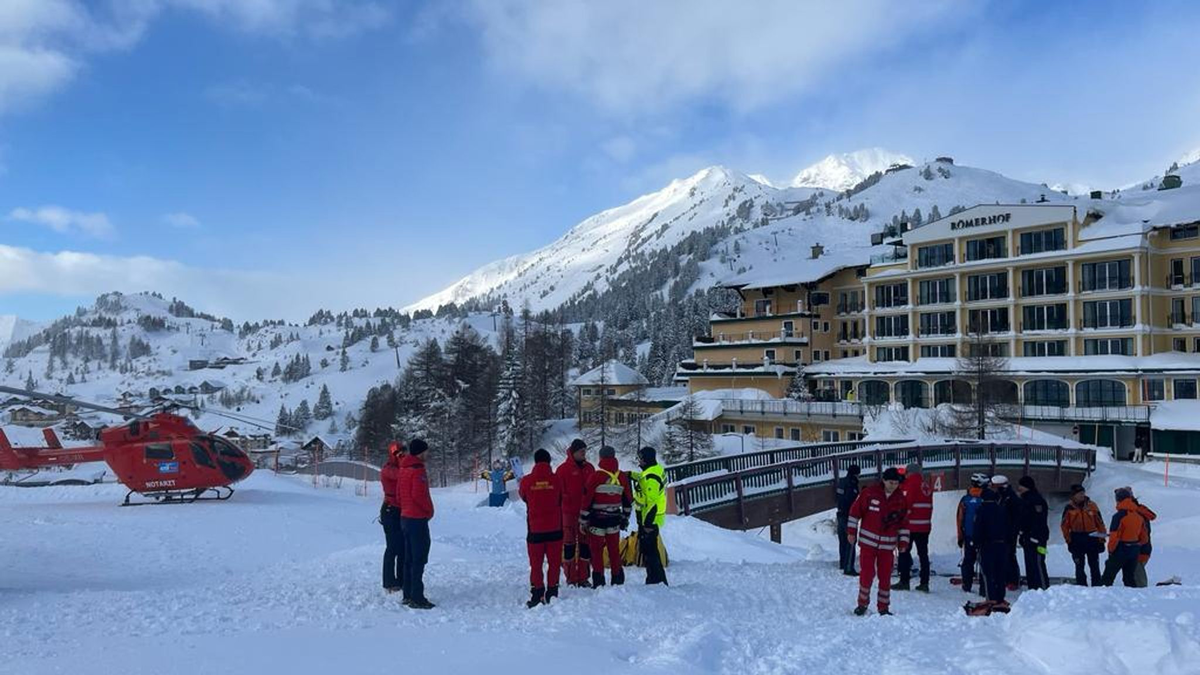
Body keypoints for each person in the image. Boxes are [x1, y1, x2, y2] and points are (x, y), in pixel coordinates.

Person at [847, 467, 909, 616]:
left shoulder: (900, 499)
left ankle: (883, 607)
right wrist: (851, 532)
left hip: (887, 547)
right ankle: (862, 604)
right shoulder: (869, 493)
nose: (893, 485)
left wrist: (903, 542)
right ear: (884, 480)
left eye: (896, 483)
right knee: (867, 575)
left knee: (885, 577)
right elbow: (855, 513)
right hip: (868, 544)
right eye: (890, 482)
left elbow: (904, 523)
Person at [580, 445, 633, 587]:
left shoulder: (596, 476)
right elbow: (628, 500)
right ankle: (617, 578)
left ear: (601, 458)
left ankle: (599, 580)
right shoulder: (621, 476)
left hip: (597, 521)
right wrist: (625, 518)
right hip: (614, 520)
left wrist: (583, 520)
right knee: (614, 550)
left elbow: (587, 500)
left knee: (596, 552)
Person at [518, 449, 564, 608]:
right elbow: (561, 496)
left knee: (536, 564)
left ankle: (537, 593)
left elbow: (524, 497)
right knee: (554, 562)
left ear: (535, 461)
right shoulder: (557, 479)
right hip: (555, 529)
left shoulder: (526, 481)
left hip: (535, 530)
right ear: (549, 461)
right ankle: (552, 592)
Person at [399, 438, 435, 609]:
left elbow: (399, 495)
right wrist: (429, 511)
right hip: (417, 518)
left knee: (408, 558)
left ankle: (407, 594)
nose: (428, 454)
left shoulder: (404, 468)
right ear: (420, 452)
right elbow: (419, 495)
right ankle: (417, 596)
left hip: (405, 517)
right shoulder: (417, 470)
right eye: (426, 451)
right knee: (419, 558)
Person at [556, 438, 595, 587]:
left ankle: (584, 577)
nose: (584, 454)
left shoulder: (589, 468)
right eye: (581, 451)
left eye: (585, 451)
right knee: (569, 546)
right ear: (574, 452)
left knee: (585, 546)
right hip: (568, 514)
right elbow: (558, 492)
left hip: (585, 513)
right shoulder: (563, 470)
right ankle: (571, 577)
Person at [630, 446, 668, 585]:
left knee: (650, 552)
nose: (638, 462)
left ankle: (656, 580)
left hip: (650, 520)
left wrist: (646, 524)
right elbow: (643, 478)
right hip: (651, 519)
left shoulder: (651, 477)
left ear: (645, 460)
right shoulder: (654, 470)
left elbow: (651, 503)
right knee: (650, 550)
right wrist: (631, 475)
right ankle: (656, 579)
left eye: (640, 459)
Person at [974, 477, 1010, 611]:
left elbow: (978, 528)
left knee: (988, 573)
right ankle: (1000, 597)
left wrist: (976, 542)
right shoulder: (1001, 509)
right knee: (1000, 572)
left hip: (987, 544)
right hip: (1002, 544)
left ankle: (991, 598)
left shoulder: (982, 510)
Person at [1100, 486, 1148, 587]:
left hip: (1120, 549)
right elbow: (1144, 537)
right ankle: (1132, 599)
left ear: (1118, 500)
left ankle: (1103, 598)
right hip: (1134, 549)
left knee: (1107, 578)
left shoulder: (1119, 516)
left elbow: (1114, 536)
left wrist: (1111, 550)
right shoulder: (1138, 516)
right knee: (1129, 578)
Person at [1060, 484, 1106, 586]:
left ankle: (1097, 587)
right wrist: (1069, 540)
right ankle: (1081, 587)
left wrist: (1102, 539)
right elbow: (1064, 526)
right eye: (1079, 493)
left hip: (1092, 538)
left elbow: (1100, 523)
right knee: (1079, 566)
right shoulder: (1069, 508)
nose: (1082, 495)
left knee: (1094, 566)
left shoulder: (1092, 506)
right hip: (1077, 538)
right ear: (1073, 495)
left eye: (1083, 493)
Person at [896, 462, 932, 592]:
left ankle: (904, 581)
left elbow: (906, 504)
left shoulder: (910, 484)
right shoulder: (926, 485)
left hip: (910, 525)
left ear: (909, 472)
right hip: (925, 526)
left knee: (904, 552)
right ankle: (924, 582)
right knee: (923, 555)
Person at [380, 441, 406, 595]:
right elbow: (401, 475)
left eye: (403, 452)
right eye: (399, 453)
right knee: (393, 547)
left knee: (403, 547)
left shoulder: (399, 467)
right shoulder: (388, 469)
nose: (402, 455)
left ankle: (402, 579)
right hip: (390, 510)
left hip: (401, 509)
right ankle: (389, 582)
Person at [1015, 476, 1050, 590]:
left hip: (1038, 539)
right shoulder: (1024, 500)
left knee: (1038, 563)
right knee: (1030, 565)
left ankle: (1043, 588)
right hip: (1027, 538)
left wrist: (1034, 536)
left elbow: (1038, 521)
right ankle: (1033, 588)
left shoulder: (1035, 500)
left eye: (1021, 485)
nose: (1019, 488)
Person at [956, 473, 988, 595]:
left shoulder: (965, 499)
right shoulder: (986, 499)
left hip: (969, 535)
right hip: (984, 537)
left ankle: (966, 584)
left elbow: (959, 519)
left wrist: (960, 537)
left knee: (968, 560)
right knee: (984, 561)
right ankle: (984, 588)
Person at [992, 474, 1022, 589]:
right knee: (1002, 556)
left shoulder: (1010, 498)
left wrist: (1013, 531)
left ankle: (1013, 579)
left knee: (1010, 555)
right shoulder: (1000, 497)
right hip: (1000, 532)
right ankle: (1004, 577)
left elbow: (1016, 517)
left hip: (1008, 532)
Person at [835, 464, 861, 576]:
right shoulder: (852, 484)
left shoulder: (841, 482)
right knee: (851, 540)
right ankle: (849, 567)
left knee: (842, 540)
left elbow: (838, 497)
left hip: (839, 514)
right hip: (848, 515)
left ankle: (843, 562)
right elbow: (852, 501)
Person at [1130, 490, 1157, 588]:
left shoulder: (1135, 513)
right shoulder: (1141, 510)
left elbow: (1139, 533)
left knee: (1138, 574)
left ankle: (1142, 594)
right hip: (1144, 547)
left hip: (1139, 548)